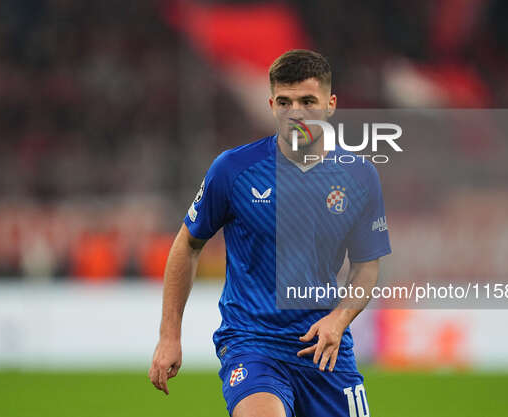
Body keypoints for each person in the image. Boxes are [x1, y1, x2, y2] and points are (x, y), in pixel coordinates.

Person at [149, 49, 391, 417]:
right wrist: (169, 336)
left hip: (324, 348)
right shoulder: (233, 170)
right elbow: (188, 244)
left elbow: (367, 267)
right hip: (252, 342)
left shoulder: (358, 176)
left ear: (330, 104)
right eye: (285, 102)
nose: (296, 112)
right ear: (271, 105)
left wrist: (339, 320)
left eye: (308, 101)